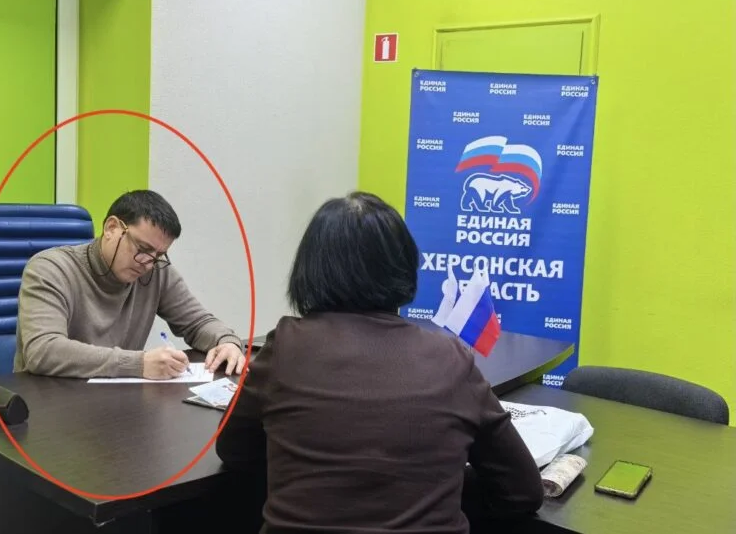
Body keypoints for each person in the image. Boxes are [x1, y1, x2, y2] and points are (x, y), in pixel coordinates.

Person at [214, 191, 544, 534]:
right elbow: (521, 491)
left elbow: (234, 450)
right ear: (404, 266)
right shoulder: (451, 359)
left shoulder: (284, 347)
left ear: (309, 269)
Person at [13, 189, 245, 379]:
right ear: (111, 228)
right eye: (142, 249)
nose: (148, 263)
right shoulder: (50, 268)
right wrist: (138, 363)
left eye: (158, 255)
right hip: (50, 403)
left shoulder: (156, 271)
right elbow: (43, 351)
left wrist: (227, 342)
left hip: (117, 403)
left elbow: (198, 322)